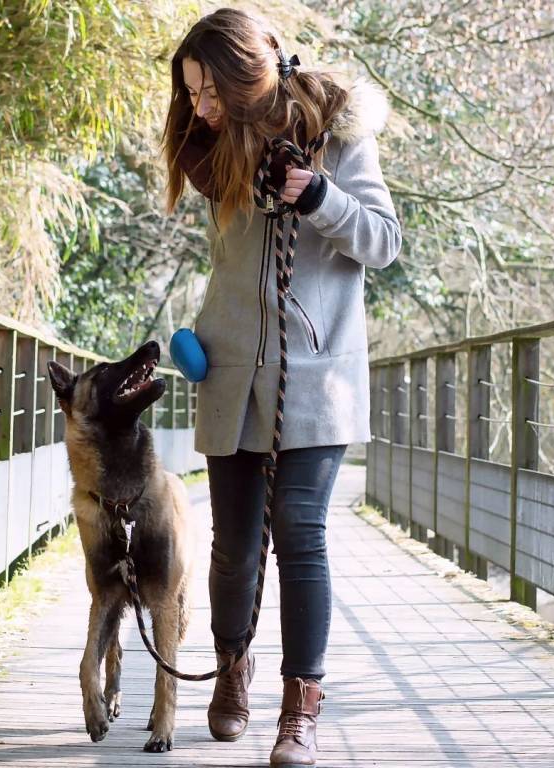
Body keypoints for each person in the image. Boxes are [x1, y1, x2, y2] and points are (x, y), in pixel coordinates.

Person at [162, 8, 402, 767]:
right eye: (192, 92)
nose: (200, 106)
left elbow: (384, 242)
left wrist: (320, 197)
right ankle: (232, 666)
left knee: (300, 531)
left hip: (318, 375)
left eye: (210, 91)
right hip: (230, 371)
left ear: (247, 76)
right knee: (235, 546)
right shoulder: (211, 147)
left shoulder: (338, 131)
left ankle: (301, 708)